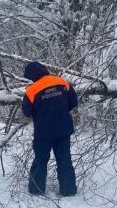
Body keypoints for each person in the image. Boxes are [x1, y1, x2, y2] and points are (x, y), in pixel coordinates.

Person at [22, 61, 78, 196]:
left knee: (40, 160)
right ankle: (68, 190)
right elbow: (74, 102)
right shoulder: (62, 82)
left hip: (43, 132)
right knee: (64, 159)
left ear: (31, 76)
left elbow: (26, 112)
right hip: (64, 129)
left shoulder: (32, 90)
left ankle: (36, 190)